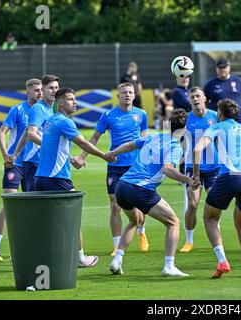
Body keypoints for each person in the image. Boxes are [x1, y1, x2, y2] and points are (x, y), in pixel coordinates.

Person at [34, 87, 115, 268]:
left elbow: (54, 148)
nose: (75, 102)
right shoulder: (65, 122)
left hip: (40, 177)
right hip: (58, 179)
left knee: (46, 221)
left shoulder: (50, 121)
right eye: (70, 99)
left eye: (75, 99)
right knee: (73, 218)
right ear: (60, 102)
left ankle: (43, 257)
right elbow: (83, 143)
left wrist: (72, 159)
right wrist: (103, 155)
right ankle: (80, 258)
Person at [109, 109, 196, 277]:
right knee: (173, 222)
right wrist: (189, 180)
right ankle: (169, 266)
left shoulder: (154, 137)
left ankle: (117, 260)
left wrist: (113, 153)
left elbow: (130, 145)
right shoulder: (175, 147)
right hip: (140, 188)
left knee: (135, 221)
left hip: (122, 185)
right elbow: (168, 170)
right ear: (185, 129)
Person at [74, 82, 149, 255]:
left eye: (130, 92)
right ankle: (117, 245)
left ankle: (141, 231)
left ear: (134, 95)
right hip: (114, 165)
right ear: (118, 96)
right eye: (124, 93)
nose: (127, 95)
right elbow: (93, 139)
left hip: (135, 165)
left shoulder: (141, 114)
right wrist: (81, 157)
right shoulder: (108, 115)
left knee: (138, 202)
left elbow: (144, 138)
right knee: (115, 205)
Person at [193, 99, 241, 278]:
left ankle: (222, 261)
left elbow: (197, 150)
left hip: (230, 176)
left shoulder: (217, 127)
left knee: (210, 217)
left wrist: (195, 175)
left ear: (220, 113)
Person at [0, 78, 42, 261]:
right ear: (28, 92)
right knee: (10, 203)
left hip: (35, 165)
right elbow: (0, 133)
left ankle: (23, 248)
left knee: (31, 208)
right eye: (36, 90)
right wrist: (6, 156)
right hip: (15, 163)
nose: (40, 93)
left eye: (41, 89)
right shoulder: (18, 110)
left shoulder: (44, 111)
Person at [179, 87, 218, 253]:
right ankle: (189, 240)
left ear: (205, 98)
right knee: (193, 204)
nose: (195, 99)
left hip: (214, 167)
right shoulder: (186, 119)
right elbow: (177, 139)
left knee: (216, 203)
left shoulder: (215, 116)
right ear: (189, 100)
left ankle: (215, 235)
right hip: (192, 167)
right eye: (192, 97)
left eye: (198, 96)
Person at [9, 75, 60, 191]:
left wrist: (16, 153)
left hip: (42, 162)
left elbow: (27, 131)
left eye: (56, 88)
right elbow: (31, 134)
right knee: (33, 204)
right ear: (43, 90)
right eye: (51, 88)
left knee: (40, 203)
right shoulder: (38, 108)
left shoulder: (50, 110)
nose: (54, 91)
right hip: (34, 162)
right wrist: (52, 147)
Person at [204, 58, 241, 126]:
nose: (222, 70)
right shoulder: (210, 84)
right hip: (218, 119)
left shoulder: (238, 81)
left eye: (224, 67)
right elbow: (204, 100)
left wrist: (237, 107)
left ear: (229, 68)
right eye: (220, 68)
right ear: (216, 69)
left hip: (237, 118)